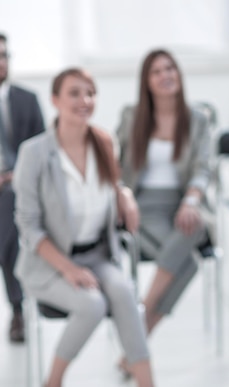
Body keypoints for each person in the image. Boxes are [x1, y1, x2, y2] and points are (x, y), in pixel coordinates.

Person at [12, 68, 154, 387]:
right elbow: (29, 226)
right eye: (74, 93)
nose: (84, 100)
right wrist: (68, 269)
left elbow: (112, 183)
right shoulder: (34, 153)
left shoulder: (104, 142)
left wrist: (125, 194)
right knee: (93, 305)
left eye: (90, 93)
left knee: (125, 293)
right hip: (49, 263)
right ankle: (54, 381)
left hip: (98, 255)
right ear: (55, 100)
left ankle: (148, 382)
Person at [116, 49, 211, 348]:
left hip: (181, 203)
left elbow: (203, 167)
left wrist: (192, 200)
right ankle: (140, 340)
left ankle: (138, 324)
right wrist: (122, 195)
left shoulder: (198, 118)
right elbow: (115, 165)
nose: (165, 75)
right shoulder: (132, 116)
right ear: (146, 80)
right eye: (156, 71)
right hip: (140, 205)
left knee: (195, 226)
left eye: (170, 68)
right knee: (189, 263)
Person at [0, 33, 45, 343]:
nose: (0, 62)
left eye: (3, 55)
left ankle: (17, 309)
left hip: (18, 187)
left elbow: (44, 153)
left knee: (12, 204)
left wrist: (14, 175)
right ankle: (17, 308)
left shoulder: (27, 100)